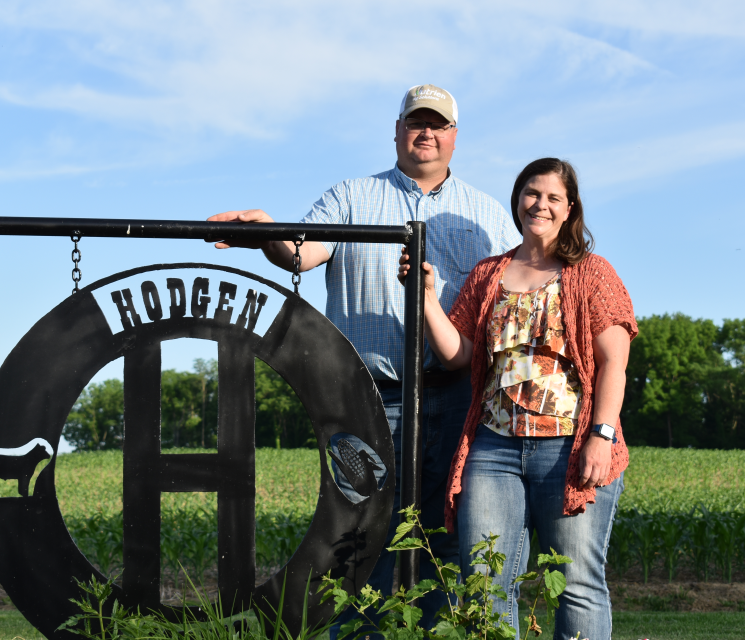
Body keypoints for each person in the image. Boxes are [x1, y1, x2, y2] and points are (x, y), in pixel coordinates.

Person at [208, 84, 521, 635]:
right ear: (397, 131)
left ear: (454, 136)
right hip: (364, 396)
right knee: (359, 534)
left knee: (442, 533)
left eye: (438, 124)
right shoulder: (350, 196)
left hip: (453, 396)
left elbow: (508, 301)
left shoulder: (486, 216)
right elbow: (301, 254)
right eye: (415, 123)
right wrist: (266, 235)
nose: (426, 133)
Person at [398, 158, 636, 640]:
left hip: (569, 446)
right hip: (493, 449)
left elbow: (615, 361)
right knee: (485, 583)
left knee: (576, 583)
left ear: (570, 209)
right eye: (532, 193)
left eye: (552, 197)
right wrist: (425, 299)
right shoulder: (489, 273)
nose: (540, 205)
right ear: (517, 201)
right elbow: (458, 355)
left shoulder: (591, 272)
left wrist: (602, 435)